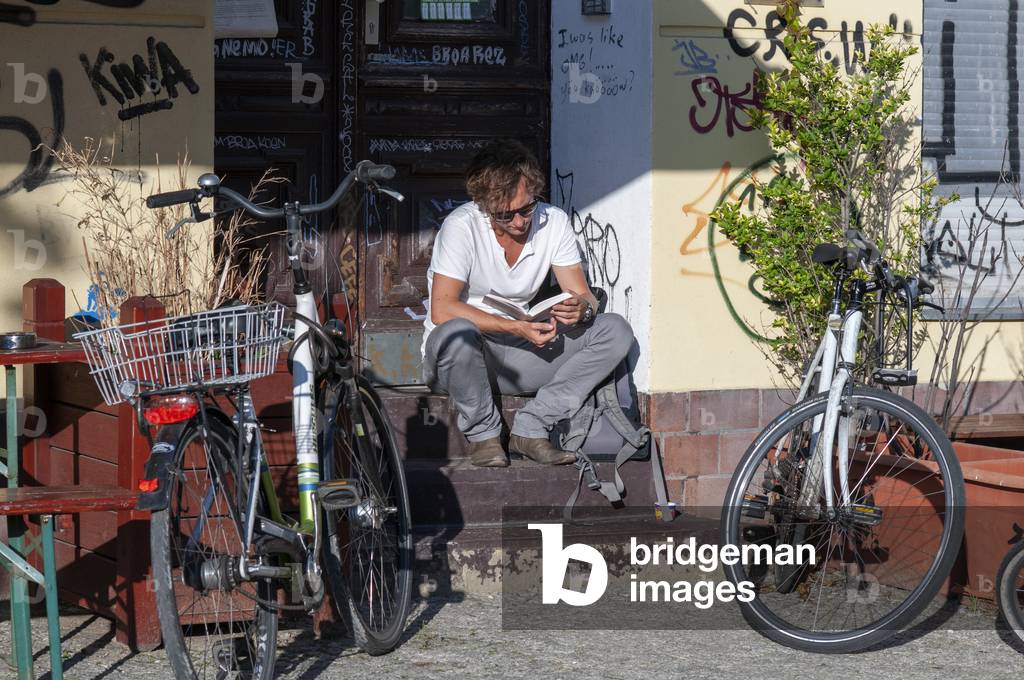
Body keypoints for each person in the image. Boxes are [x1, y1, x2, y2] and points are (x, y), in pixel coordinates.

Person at [422, 139, 635, 467]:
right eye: (505, 215)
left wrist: (583, 307)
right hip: (464, 361)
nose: (520, 222)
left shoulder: (554, 222)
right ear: (483, 205)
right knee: (456, 333)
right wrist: (513, 326)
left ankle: (532, 427)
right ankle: (485, 437)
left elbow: (583, 294)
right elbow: (443, 307)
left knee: (615, 330)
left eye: (526, 208)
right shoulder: (460, 226)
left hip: (522, 355)